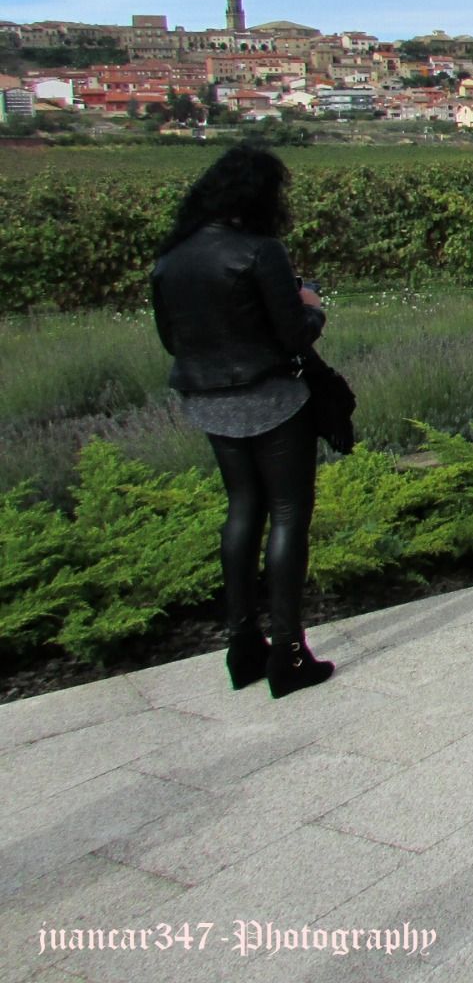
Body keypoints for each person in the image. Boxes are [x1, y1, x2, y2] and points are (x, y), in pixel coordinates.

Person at [152, 145, 334, 697]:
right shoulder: (260, 251)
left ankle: (242, 645)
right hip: (273, 397)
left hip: (209, 400)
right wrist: (313, 303)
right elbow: (293, 333)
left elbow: (169, 339)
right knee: (287, 513)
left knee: (241, 510)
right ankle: (289, 653)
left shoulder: (172, 257)